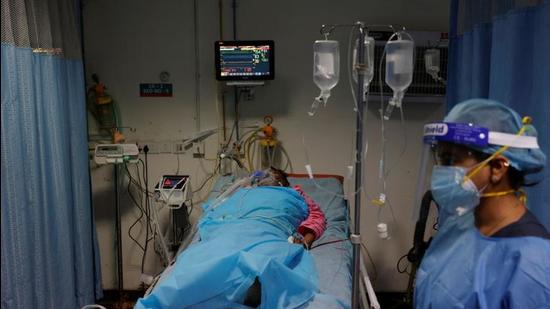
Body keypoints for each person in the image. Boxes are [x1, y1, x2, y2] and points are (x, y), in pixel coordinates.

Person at [414, 99, 550, 308]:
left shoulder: (531, 262)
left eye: (451, 160)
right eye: (440, 160)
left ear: (497, 167)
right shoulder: (459, 225)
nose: (442, 171)